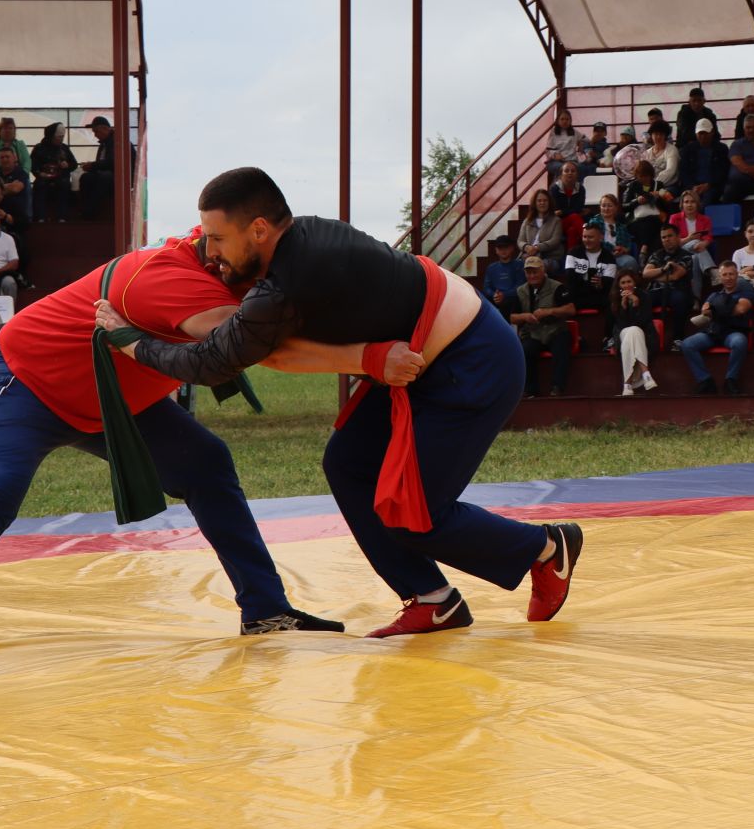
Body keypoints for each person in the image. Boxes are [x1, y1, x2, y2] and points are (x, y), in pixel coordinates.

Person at [91, 168, 584, 642]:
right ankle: (432, 598)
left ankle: (545, 547)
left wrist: (130, 341)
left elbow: (215, 361)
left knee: (416, 514)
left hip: (473, 360)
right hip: (430, 356)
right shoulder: (296, 244)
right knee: (348, 463)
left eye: (217, 238)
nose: (208, 249)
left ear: (259, 229)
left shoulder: (287, 283)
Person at [682, 260, 754, 395]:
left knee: (740, 342)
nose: (728, 278)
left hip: (733, 332)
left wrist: (715, 310)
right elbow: (704, 311)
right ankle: (705, 380)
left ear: (737, 275)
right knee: (687, 344)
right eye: (725, 274)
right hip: (713, 332)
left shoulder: (746, 293)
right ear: (720, 277)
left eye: (731, 274)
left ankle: (730, 380)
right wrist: (725, 308)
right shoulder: (714, 295)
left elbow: (740, 309)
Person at [512, 255, 574, 396]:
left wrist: (548, 311)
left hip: (555, 330)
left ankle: (557, 387)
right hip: (533, 333)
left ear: (543, 271)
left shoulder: (557, 287)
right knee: (524, 350)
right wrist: (525, 316)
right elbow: (512, 317)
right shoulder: (520, 291)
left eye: (535, 272)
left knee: (562, 344)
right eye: (529, 272)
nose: (532, 275)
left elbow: (570, 309)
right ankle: (530, 389)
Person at [608, 268, 659, 397]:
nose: (627, 285)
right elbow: (621, 326)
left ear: (634, 282)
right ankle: (646, 375)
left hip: (646, 337)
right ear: (619, 286)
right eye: (623, 283)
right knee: (631, 331)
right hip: (622, 336)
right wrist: (624, 307)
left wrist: (636, 304)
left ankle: (627, 384)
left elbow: (643, 323)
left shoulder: (645, 296)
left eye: (629, 281)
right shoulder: (615, 299)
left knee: (634, 331)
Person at [641, 223, 695, 325]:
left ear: (678, 237)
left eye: (670, 236)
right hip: (656, 291)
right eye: (663, 237)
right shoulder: (657, 254)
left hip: (677, 290)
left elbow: (675, 276)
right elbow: (645, 274)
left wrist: (655, 276)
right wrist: (663, 269)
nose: (666, 239)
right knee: (643, 298)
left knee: (680, 299)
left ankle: (677, 337)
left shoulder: (686, 256)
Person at [619, 159, 675, 252]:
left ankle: (644, 250)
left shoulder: (659, 185)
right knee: (648, 225)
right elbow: (624, 206)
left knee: (654, 224)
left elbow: (667, 204)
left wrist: (660, 197)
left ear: (650, 175)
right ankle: (646, 250)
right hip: (637, 220)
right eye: (641, 176)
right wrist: (637, 201)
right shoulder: (632, 186)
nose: (643, 179)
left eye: (646, 176)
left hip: (656, 218)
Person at [561, 223, 618, 312]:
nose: (586, 240)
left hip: (598, 297)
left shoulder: (609, 258)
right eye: (584, 237)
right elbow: (570, 280)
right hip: (576, 295)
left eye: (590, 237)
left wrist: (601, 284)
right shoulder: (573, 253)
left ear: (601, 237)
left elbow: (609, 284)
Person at [30, 122, 79, 221]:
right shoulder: (39, 148)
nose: (61, 139)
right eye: (59, 137)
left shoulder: (64, 148)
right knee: (39, 185)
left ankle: (62, 217)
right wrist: (39, 173)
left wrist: (67, 165)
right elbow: (32, 165)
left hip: (61, 178)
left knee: (64, 185)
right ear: (51, 136)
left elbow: (74, 164)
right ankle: (40, 217)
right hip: (43, 177)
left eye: (62, 137)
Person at [677, 118, 729, 204]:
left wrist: (709, 185)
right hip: (692, 186)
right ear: (696, 134)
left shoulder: (721, 149)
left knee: (707, 199)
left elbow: (723, 171)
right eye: (700, 133)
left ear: (712, 132)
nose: (703, 136)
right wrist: (692, 186)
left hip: (713, 186)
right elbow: (683, 171)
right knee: (688, 200)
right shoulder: (687, 149)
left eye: (706, 133)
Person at [670, 189, 717, 283]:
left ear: (697, 204)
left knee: (694, 259)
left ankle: (696, 296)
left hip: (698, 251)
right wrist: (689, 239)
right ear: (682, 204)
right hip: (680, 250)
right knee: (695, 242)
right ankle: (712, 271)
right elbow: (673, 242)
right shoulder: (675, 218)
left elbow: (708, 237)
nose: (689, 205)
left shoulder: (705, 219)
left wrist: (704, 244)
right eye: (686, 202)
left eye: (693, 202)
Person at [77, 114, 116, 217]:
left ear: (105, 129)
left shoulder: (117, 142)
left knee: (104, 177)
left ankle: (90, 210)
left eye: (96, 131)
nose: (95, 135)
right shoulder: (104, 144)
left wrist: (93, 166)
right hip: (105, 174)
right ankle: (85, 208)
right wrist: (92, 166)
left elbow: (112, 162)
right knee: (86, 177)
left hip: (117, 177)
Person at [590, 192, 638, 274]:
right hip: (600, 255)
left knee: (631, 262)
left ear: (616, 208)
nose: (606, 208)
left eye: (609, 205)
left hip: (619, 256)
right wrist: (613, 248)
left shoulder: (621, 226)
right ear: (600, 207)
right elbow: (594, 241)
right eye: (603, 205)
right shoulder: (594, 223)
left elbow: (628, 243)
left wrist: (623, 250)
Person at [517, 188, 564, 270]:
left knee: (536, 266)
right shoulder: (527, 221)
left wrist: (537, 248)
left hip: (549, 257)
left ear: (549, 203)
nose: (542, 203)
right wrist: (526, 247)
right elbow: (520, 241)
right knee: (517, 266)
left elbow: (555, 241)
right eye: (539, 201)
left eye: (545, 200)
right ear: (535, 203)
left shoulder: (556, 220)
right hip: (529, 256)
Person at [480, 235, 525, 316]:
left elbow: (520, 287)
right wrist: (494, 295)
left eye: (506, 247)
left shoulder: (519, 265)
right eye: (500, 248)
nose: (503, 250)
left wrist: (504, 295)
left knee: (513, 300)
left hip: (512, 299)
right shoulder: (491, 268)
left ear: (512, 248)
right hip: (495, 298)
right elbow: (486, 288)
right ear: (496, 250)